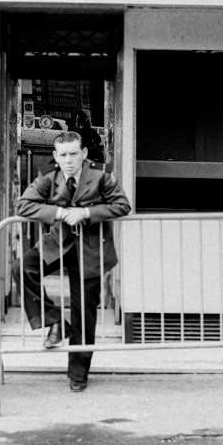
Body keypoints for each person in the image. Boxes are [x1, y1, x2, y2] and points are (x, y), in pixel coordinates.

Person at [16, 130, 130, 392]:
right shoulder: (48, 180)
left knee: (84, 312)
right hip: (58, 243)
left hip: (90, 249)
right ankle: (55, 319)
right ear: (56, 156)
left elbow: (123, 206)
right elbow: (24, 205)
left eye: (74, 154)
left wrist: (86, 212)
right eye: (64, 155)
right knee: (22, 267)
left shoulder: (102, 179)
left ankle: (78, 374)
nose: (69, 160)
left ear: (84, 154)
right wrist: (58, 212)